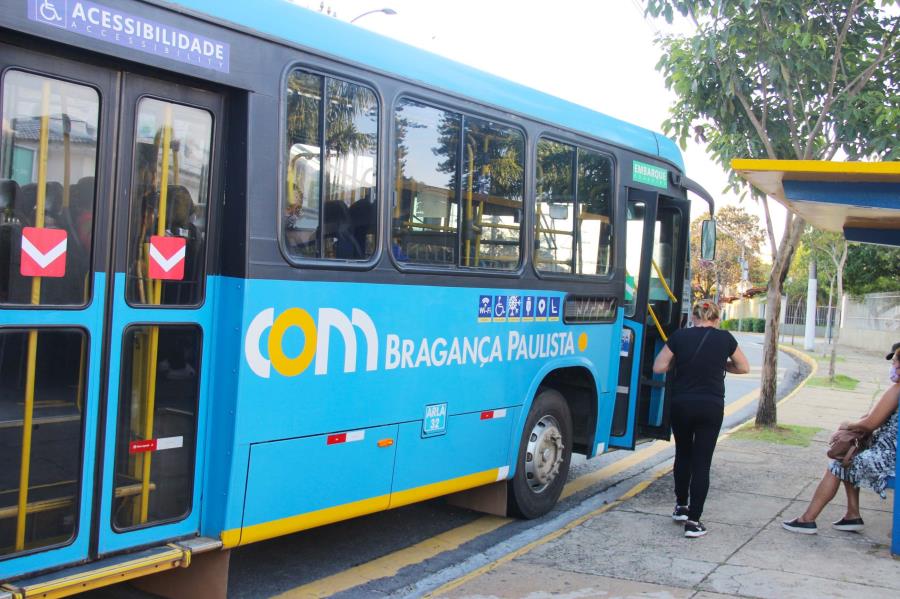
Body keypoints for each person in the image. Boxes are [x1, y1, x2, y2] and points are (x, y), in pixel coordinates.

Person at [652, 299, 750, 538]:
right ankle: (694, 522)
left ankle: (681, 506)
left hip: (682, 404)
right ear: (716, 319)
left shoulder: (680, 337)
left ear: (693, 317)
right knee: (702, 462)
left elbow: (658, 366)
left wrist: (681, 362)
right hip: (711, 406)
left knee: (683, 454)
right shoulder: (725, 338)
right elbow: (744, 367)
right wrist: (721, 364)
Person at [782, 344, 900, 534]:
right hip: (893, 455)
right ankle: (852, 515)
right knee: (849, 455)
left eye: (895, 361)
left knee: (838, 463)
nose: (892, 365)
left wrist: (847, 425)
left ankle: (807, 519)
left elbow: (870, 424)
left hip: (889, 459)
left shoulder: (897, 390)